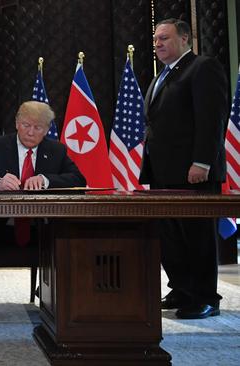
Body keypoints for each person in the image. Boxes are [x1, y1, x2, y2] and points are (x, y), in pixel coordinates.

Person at [0, 101, 86, 316]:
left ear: (47, 129)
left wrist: (46, 179)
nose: (31, 132)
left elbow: (78, 180)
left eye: (38, 127)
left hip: (42, 228)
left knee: (76, 244)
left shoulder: (56, 150)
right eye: (26, 125)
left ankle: (60, 298)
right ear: (17, 123)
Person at [140, 18, 229, 319]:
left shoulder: (202, 67)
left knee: (197, 235)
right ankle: (181, 288)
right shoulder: (161, 76)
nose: (157, 44)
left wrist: (202, 161)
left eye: (164, 38)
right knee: (170, 235)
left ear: (185, 39)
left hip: (194, 172)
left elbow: (211, 119)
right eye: (155, 39)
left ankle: (205, 297)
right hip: (163, 172)